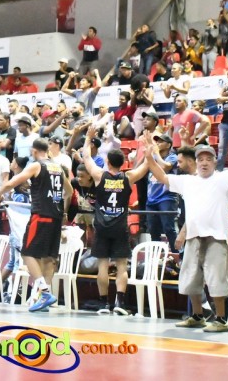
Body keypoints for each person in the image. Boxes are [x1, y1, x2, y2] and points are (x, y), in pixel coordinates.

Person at [145, 130, 228, 332]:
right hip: (193, 236)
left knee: (217, 279)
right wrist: (149, 156)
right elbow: (161, 176)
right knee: (191, 278)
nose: (204, 162)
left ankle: (221, 319)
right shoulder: (187, 181)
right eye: (201, 159)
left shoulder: (224, 178)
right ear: (196, 162)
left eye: (208, 159)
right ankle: (197, 316)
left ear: (215, 162)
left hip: (216, 237)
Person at [0, 138, 73, 312]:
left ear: (34, 150)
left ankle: (44, 292)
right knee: (49, 258)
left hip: (41, 215)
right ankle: (43, 297)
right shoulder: (58, 167)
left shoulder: (37, 166)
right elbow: (69, 191)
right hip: (56, 217)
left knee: (27, 253)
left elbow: (11, 183)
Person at [82, 125, 147, 315]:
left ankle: (104, 304)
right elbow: (146, 166)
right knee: (121, 266)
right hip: (120, 227)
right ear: (123, 163)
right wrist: (149, 149)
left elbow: (86, 157)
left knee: (102, 265)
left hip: (102, 226)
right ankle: (120, 303)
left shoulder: (99, 176)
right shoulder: (128, 177)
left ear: (107, 161)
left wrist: (88, 138)